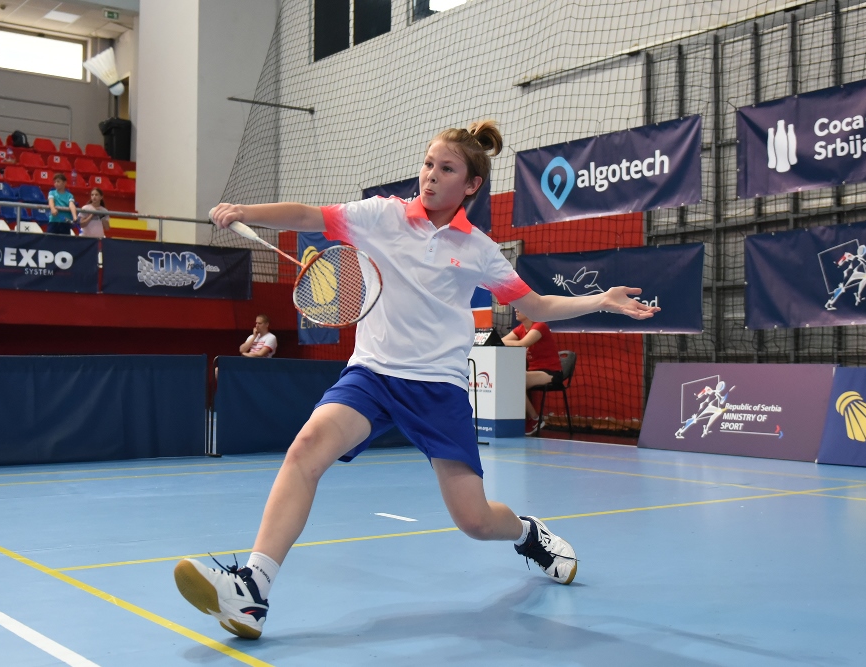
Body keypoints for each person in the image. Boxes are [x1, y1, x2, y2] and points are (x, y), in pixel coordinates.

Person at [173, 120, 660, 640]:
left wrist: (601, 299)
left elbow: (536, 305)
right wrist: (246, 212)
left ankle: (527, 533)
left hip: (437, 389)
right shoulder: (380, 215)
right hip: (372, 375)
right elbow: (308, 215)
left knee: (475, 521)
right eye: (428, 164)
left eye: (446, 169)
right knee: (306, 449)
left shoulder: (478, 248)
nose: (430, 175)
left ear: (471, 185)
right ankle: (253, 589)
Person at [502, 309, 565, 435]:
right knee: (509, 381)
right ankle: (516, 420)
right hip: (533, 371)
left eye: (520, 308)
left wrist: (503, 342)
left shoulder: (540, 326)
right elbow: (500, 341)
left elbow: (522, 344)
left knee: (515, 380)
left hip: (551, 373)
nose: (516, 310)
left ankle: (536, 419)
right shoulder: (520, 329)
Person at [214, 314, 278, 380]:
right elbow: (242, 349)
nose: (257, 325)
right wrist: (254, 337)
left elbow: (260, 354)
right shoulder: (252, 336)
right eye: (256, 323)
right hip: (246, 363)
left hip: (260, 366)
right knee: (217, 370)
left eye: (259, 323)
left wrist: (246, 354)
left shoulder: (271, 337)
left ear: (267, 324)